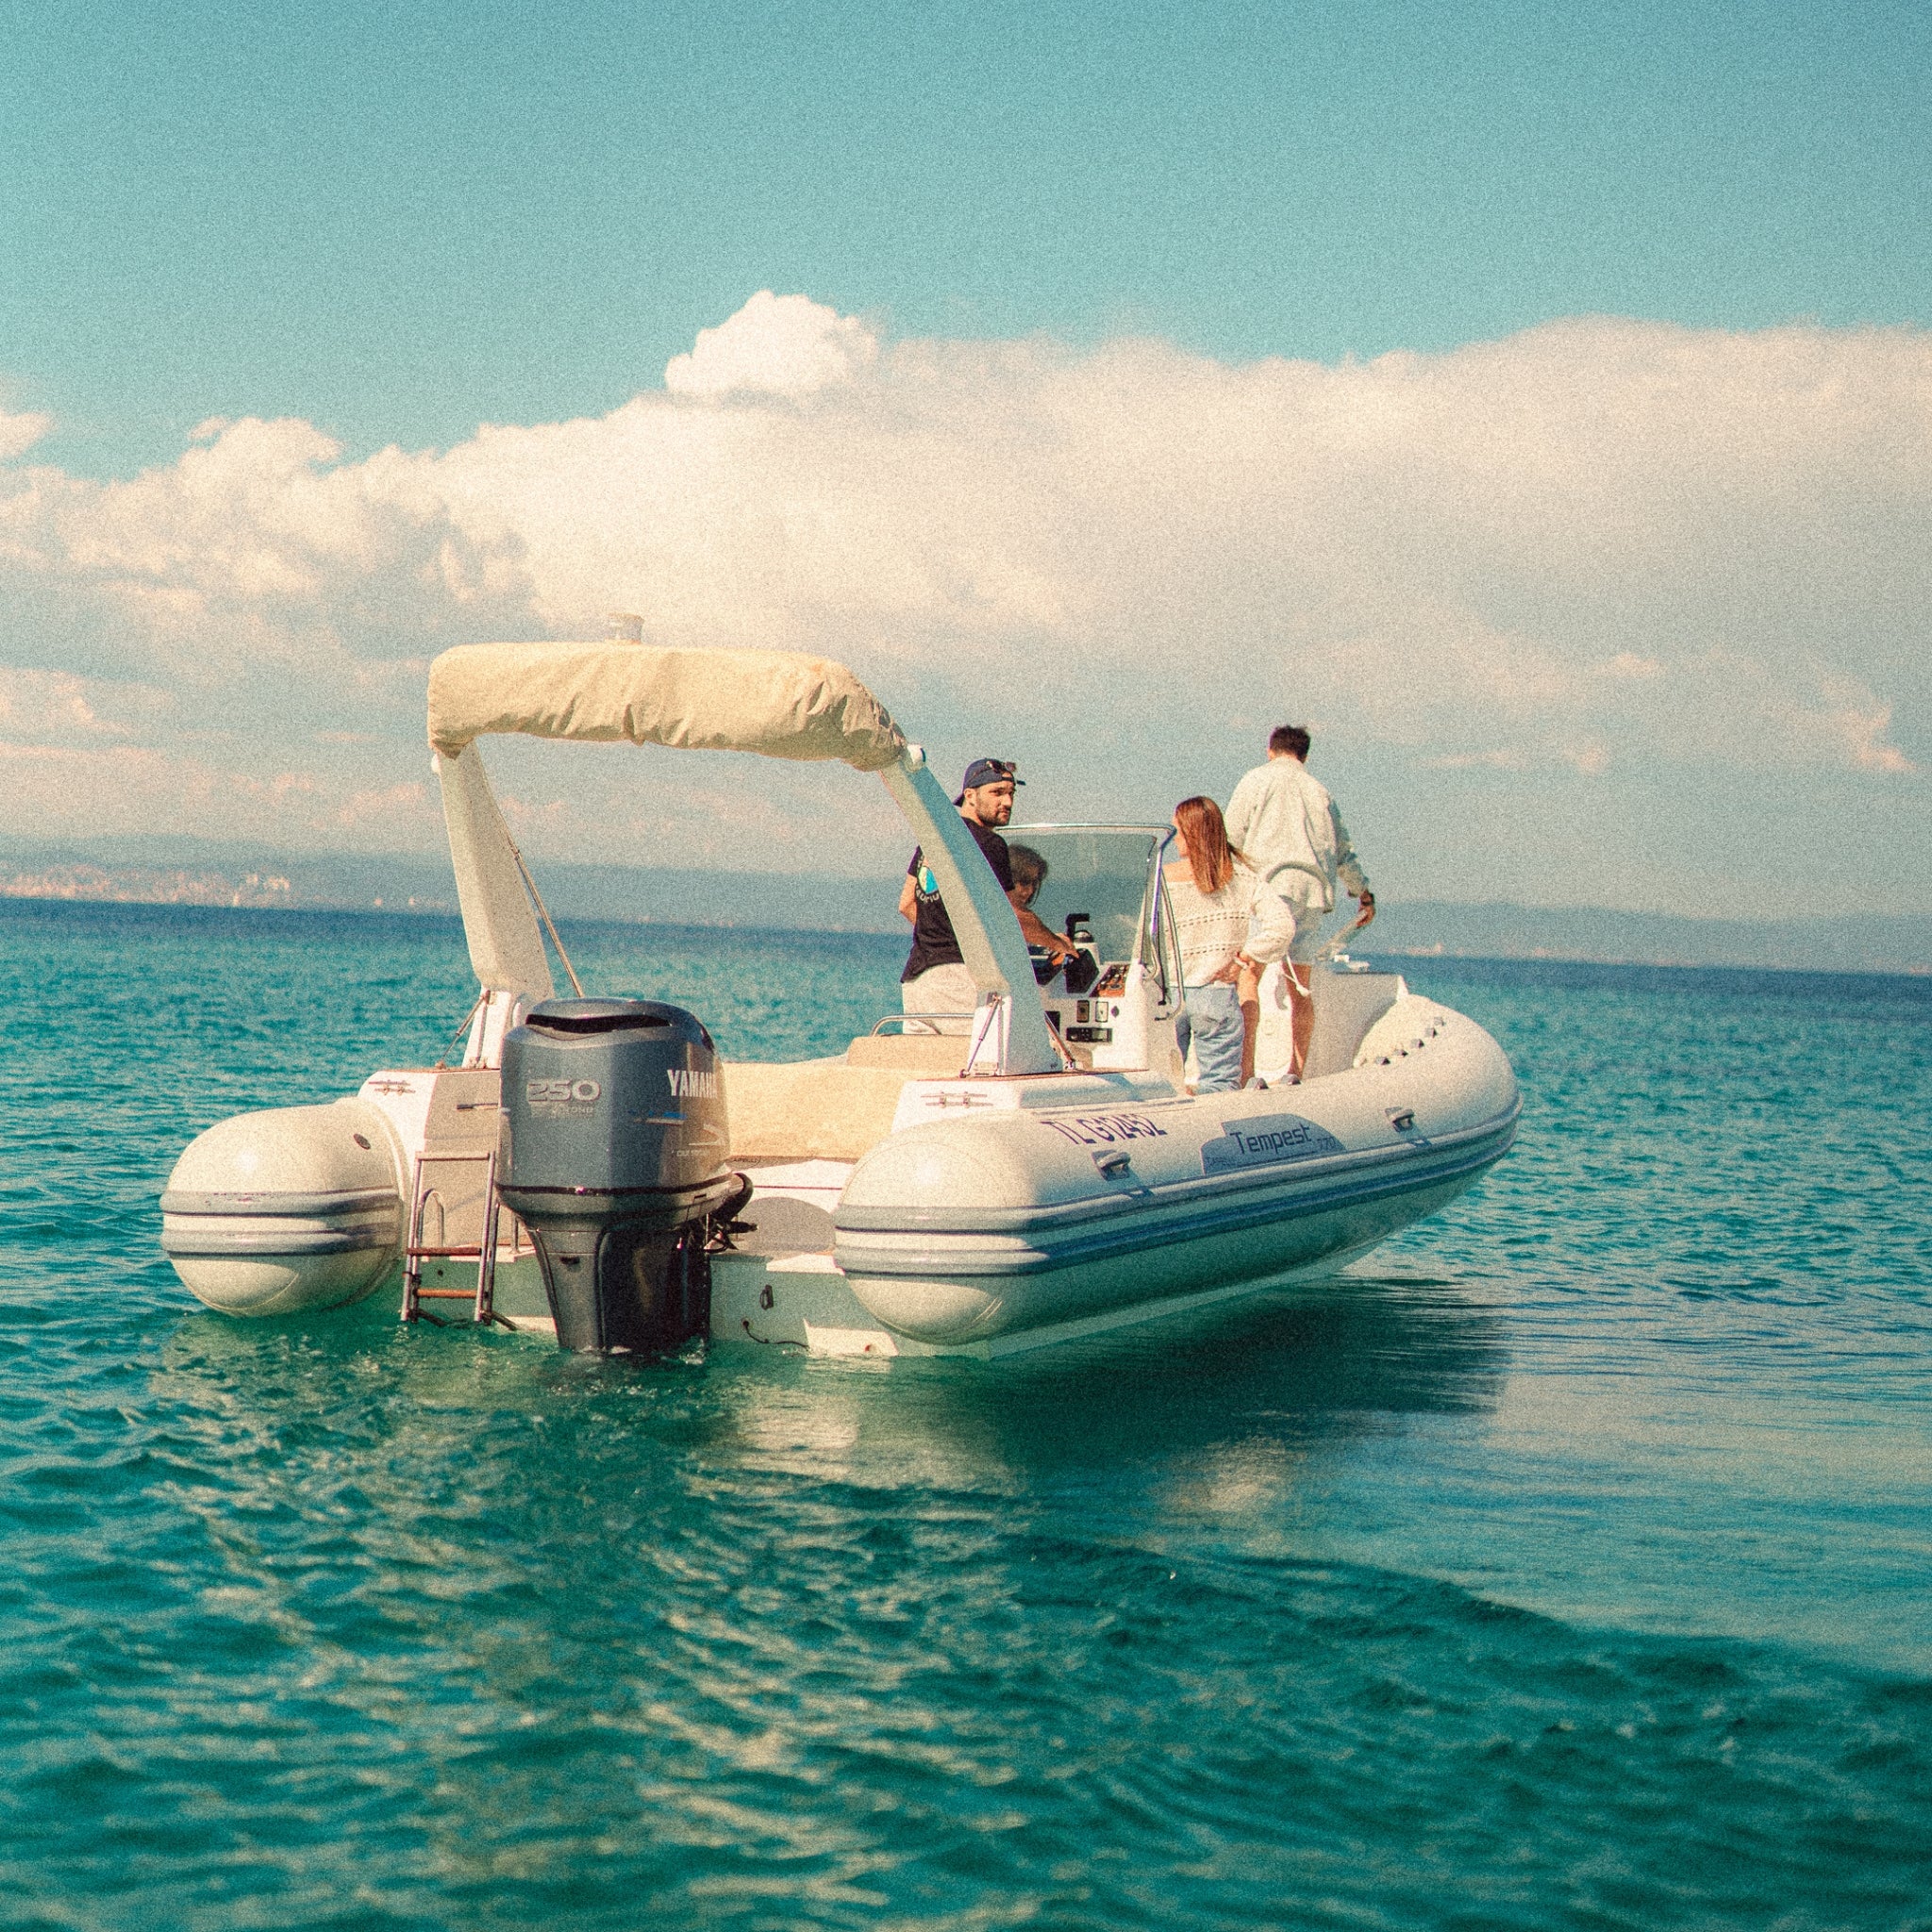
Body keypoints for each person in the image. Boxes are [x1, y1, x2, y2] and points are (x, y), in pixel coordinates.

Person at [1223, 724, 1375, 1078]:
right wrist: (1363, 893)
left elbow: (1230, 840)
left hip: (1270, 890)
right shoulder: (1320, 791)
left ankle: (1246, 1072)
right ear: (1304, 756)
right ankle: (1296, 1071)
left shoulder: (1255, 780)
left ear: (1269, 750)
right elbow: (1344, 854)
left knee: (1250, 976)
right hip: (1312, 892)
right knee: (1300, 986)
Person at [898, 759, 1076, 1032]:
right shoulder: (988, 843)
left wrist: (946, 935)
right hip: (960, 979)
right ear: (969, 795)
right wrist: (1057, 943)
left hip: (917, 983)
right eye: (997, 793)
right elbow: (1014, 915)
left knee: (931, 1069)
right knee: (997, 1066)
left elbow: (907, 904)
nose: (1007, 802)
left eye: (1011, 793)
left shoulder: (933, 839)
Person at [1163, 796, 1293, 1094]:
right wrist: (1243, 959)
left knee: (1165, 1090)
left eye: (1178, 832)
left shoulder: (1161, 878)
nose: (1175, 840)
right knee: (1220, 1089)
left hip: (1167, 995)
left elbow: (1141, 938)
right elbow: (1282, 927)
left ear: (1191, 834)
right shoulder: (1244, 879)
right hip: (1216, 996)